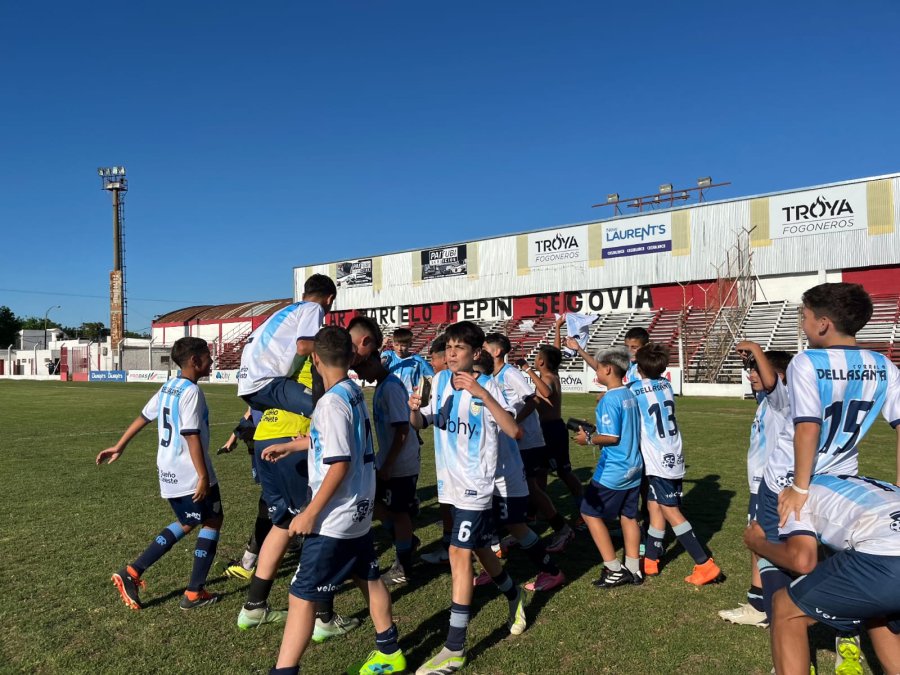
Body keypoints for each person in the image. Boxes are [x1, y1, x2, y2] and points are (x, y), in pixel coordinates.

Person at [263, 326, 405, 675]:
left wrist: (310, 513)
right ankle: (390, 652)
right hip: (358, 509)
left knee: (301, 595)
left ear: (314, 359)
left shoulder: (330, 403)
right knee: (368, 577)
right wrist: (293, 445)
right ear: (352, 356)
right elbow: (336, 442)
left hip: (334, 517)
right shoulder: (352, 391)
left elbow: (339, 464)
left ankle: (284, 671)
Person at [758, 283, 900, 620]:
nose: (802, 324)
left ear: (823, 323)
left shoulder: (807, 361)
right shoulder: (883, 365)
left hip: (789, 480)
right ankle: (844, 633)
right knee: (836, 559)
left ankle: (785, 629)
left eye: (805, 317)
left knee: (779, 557)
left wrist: (799, 487)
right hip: (842, 481)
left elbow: (808, 427)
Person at [409, 321, 527, 675]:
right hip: (449, 485)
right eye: (448, 347)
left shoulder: (489, 385)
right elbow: (420, 423)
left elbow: (514, 430)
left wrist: (482, 393)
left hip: (476, 485)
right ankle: (514, 594)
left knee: (458, 553)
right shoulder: (439, 382)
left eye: (458, 348)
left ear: (476, 353)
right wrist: (414, 408)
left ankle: (454, 648)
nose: (451, 353)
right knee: (478, 549)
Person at [97, 337, 223, 611]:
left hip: (168, 469)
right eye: (207, 356)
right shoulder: (191, 391)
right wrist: (203, 476)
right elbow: (191, 435)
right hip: (189, 471)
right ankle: (193, 592)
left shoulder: (169, 387)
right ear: (195, 361)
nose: (211, 360)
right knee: (212, 520)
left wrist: (120, 445)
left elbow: (144, 416)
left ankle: (133, 572)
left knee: (189, 521)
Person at [744, 474, 900, 675]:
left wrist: (758, 543)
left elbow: (801, 561)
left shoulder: (793, 495)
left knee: (785, 607)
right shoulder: (874, 484)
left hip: (885, 560)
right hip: (886, 551)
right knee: (878, 612)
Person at [629, 343, 723, 585]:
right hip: (672, 452)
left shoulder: (634, 390)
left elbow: (626, 397)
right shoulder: (667, 385)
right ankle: (651, 560)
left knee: (670, 510)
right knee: (654, 506)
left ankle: (704, 563)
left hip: (658, 458)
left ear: (639, 368)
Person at [475, 346, 565, 592]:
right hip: (485, 466)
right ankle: (491, 568)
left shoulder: (497, 380)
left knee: (520, 513)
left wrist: (513, 420)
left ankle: (556, 551)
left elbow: (535, 398)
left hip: (514, 455)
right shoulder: (479, 383)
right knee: (483, 523)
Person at [719, 343, 792, 627]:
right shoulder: (767, 400)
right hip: (762, 484)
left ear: (779, 377)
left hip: (769, 485)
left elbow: (772, 385)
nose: (750, 375)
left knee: (760, 541)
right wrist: (750, 361)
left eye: (756, 371)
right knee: (762, 541)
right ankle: (764, 601)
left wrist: (755, 349)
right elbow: (761, 386)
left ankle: (760, 605)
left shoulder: (782, 400)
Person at [573, 346, 644, 588]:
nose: (596, 372)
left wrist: (588, 440)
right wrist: (596, 431)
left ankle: (614, 568)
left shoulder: (610, 399)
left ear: (608, 369)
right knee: (629, 516)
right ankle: (634, 569)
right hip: (634, 465)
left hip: (615, 468)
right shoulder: (629, 395)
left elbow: (612, 437)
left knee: (589, 512)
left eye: (599, 368)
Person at [353, 353, 421, 588]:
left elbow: (403, 429)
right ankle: (408, 542)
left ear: (372, 362)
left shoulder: (391, 387)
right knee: (377, 506)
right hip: (387, 459)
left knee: (400, 513)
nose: (359, 375)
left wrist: (390, 464)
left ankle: (404, 566)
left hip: (401, 463)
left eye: (360, 369)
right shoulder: (383, 385)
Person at [237, 274, 336, 415]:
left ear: (303, 296)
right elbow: (303, 347)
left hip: (247, 386)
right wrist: (338, 347)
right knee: (326, 412)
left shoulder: (285, 311)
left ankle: (247, 424)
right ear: (329, 299)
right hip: (267, 383)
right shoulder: (313, 308)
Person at [420, 333, 455, 566]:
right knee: (446, 503)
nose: (431, 363)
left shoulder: (475, 381)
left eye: (432, 358)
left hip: (468, 461)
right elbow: (425, 417)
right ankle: (448, 548)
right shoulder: (439, 379)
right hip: (445, 460)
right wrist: (414, 410)